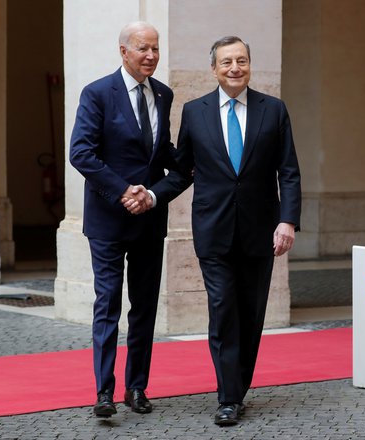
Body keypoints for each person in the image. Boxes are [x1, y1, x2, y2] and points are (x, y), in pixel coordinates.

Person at [132, 35, 301, 426]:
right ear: (214, 69)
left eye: (241, 60)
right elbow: (182, 171)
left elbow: (288, 171)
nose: (234, 68)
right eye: (226, 62)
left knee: (251, 311)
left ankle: (237, 389)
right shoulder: (195, 112)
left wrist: (287, 220)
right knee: (223, 308)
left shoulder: (273, 110)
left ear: (249, 64)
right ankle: (227, 397)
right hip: (213, 230)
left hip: (261, 231)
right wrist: (154, 197)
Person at [69, 21, 179, 418]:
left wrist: (195, 163)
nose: (150, 56)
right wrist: (123, 190)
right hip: (109, 221)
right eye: (142, 49)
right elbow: (81, 152)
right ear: (123, 51)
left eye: (155, 49)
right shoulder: (98, 93)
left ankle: (136, 388)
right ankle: (103, 392)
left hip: (149, 218)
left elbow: (162, 151)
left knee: (145, 307)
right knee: (108, 305)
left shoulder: (163, 94)